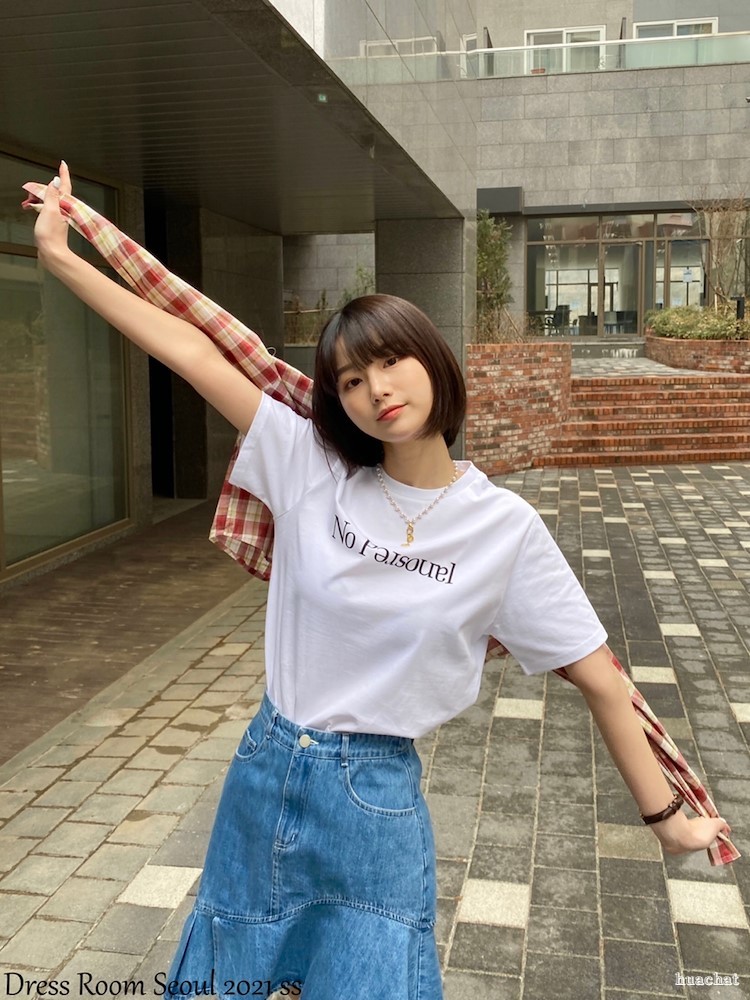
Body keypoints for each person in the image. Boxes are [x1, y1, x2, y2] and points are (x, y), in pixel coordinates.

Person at [33, 163, 729, 1000]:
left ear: (433, 360)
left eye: (390, 361)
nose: (377, 390)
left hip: (375, 798)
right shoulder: (311, 466)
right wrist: (63, 257)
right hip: (265, 769)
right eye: (352, 381)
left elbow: (603, 680)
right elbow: (190, 345)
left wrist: (664, 819)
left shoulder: (504, 529)